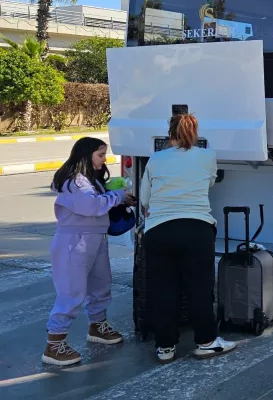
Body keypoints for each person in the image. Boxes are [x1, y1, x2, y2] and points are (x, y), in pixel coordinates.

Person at [140, 113, 237, 363]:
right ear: (195, 134)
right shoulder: (207, 156)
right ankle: (206, 341)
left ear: (169, 135)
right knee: (199, 289)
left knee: (163, 289)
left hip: (159, 230)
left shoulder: (156, 158)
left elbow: (145, 200)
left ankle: (165, 347)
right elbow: (209, 184)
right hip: (196, 229)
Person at [43, 137, 135, 366]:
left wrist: (116, 198)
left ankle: (97, 325)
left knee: (101, 285)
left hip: (94, 239)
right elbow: (91, 206)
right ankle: (54, 344)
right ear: (86, 155)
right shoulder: (74, 182)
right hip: (75, 242)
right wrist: (118, 197)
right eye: (100, 155)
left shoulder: (89, 180)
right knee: (72, 292)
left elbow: (97, 202)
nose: (104, 160)